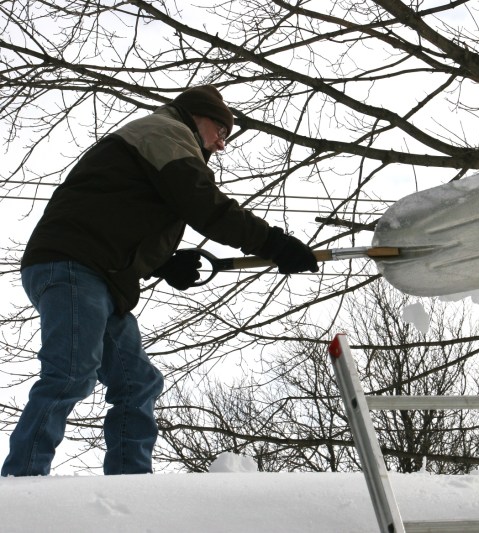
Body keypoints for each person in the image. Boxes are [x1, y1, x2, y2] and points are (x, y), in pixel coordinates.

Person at [1, 85, 318, 476]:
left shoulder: (163, 142)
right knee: (71, 370)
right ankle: (22, 480)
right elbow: (205, 206)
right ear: (199, 116)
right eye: (222, 132)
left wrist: (163, 263)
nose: (221, 144)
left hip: (102, 275)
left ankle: (131, 483)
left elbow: (119, 212)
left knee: (138, 383)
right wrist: (273, 243)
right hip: (74, 266)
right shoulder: (165, 133)